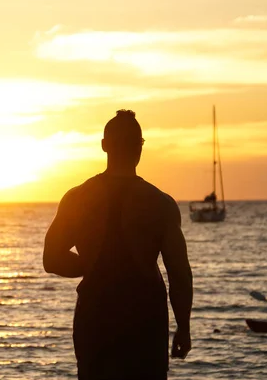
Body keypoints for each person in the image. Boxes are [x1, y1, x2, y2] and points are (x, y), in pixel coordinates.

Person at [43, 110, 193, 380]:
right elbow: (178, 273)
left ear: (104, 145)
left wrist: (93, 265)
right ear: (140, 147)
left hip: (95, 316)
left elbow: (52, 258)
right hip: (144, 320)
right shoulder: (160, 204)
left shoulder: (77, 198)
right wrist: (183, 327)